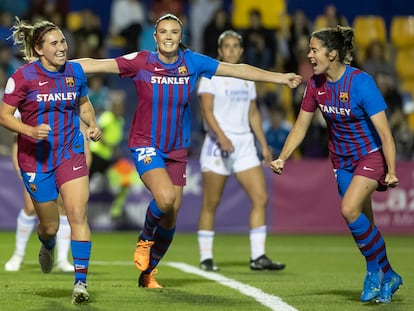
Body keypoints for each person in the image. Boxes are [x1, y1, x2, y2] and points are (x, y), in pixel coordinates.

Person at [75, 13, 301, 289]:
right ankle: (145, 239)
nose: (168, 37)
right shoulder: (141, 61)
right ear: (155, 37)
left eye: (174, 32)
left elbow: (239, 70)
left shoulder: (192, 62)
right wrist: (56, 65)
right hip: (146, 143)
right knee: (166, 197)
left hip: (176, 150)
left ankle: (148, 274)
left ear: (181, 37)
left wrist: (280, 78)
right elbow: (97, 64)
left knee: (171, 217)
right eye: (163, 32)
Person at [270, 26, 402, 304]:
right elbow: (300, 126)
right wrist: (283, 155)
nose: (308, 55)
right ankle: (386, 274)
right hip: (341, 161)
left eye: (314, 50)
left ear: (332, 54)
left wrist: (391, 170)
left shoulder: (361, 83)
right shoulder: (314, 85)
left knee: (349, 209)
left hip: (369, 156)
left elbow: (385, 133)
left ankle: (374, 274)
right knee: (364, 221)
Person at [0, 18, 102, 304]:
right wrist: (30, 131)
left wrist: (91, 124)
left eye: (63, 42)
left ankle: (80, 283)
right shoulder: (22, 77)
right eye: (54, 43)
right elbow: (4, 116)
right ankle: (47, 244)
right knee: (50, 226)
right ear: (39, 49)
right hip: (37, 159)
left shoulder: (75, 72)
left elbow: (83, 103)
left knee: (77, 213)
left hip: (70, 152)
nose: (62, 47)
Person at [196, 30, 285, 272]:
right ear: (220, 51)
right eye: (227, 46)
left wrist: (263, 144)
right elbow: (207, 111)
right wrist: (222, 137)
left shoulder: (248, 77)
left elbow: (253, 112)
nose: (232, 50)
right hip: (217, 144)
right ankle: (206, 257)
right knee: (211, 203)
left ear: (242, 50)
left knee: (260, 198)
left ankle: (258, 256)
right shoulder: (210, 75)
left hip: (244, 144)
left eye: (236, 46)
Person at [4, 110, 74, 273]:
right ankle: (18, 255)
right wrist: (22, 173)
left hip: (58, 161)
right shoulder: (23, 106)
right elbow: (17, 144)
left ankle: (62, 260)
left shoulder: (61, 104)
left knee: (63, 207)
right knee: (29, 207)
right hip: (33, 165)